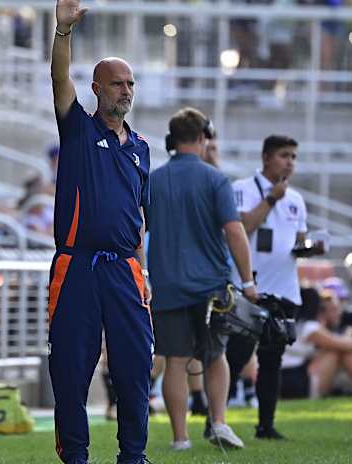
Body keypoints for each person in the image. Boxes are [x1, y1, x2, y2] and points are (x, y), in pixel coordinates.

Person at [48, 1, 153, 462]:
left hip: (125, 270)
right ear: (96, 89)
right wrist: (63, 33)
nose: (125, 90)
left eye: (130, 83)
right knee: (71, 370)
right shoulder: (77, 130)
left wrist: (143, 273)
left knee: (134, 369)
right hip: (77, 268)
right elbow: (58, 81)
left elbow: (140, 218)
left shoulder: (143, 149)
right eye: (117, 83)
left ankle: (133, 455)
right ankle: (75, 457)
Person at [147, 107, 256, 451]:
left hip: (166, 285)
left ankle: (180, 439)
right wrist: (248, 281)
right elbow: (235, 231)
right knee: (214, 356)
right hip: (210, 286)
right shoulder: (214, 179)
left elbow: (137, 230)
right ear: (203, 137)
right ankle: (219, 422)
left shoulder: (153, 180)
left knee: (175, 361)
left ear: (171, 140)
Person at [227, 134, 319, 440]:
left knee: (272, 360)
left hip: (284, 290)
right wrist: (270, 199)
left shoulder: (297, 200)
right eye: (284, 155)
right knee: (234, 358)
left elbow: (298, 241)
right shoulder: (241, 189)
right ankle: (216, 419)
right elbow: (241, 229)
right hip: (247, 289)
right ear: (266, 157)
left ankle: (265, 425)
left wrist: (310, 248)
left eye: (293, 157)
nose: (290, 162)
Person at [279, 289, 352, 399]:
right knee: (336, 351)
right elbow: (340, 344)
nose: (339, 313)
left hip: (294, 377)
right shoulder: (309, 327)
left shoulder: (304, 325)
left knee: (339, 351)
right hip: (292, 380)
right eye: (333, 309)